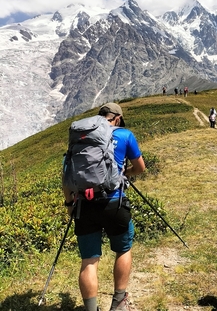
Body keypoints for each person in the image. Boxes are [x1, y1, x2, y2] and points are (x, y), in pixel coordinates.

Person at [63, 102, 146, 311]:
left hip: (84, 204)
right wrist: (124, 174)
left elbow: (67, 176)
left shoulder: (81, 137)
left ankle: (91, 309)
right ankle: (118, 302)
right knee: (123, 249)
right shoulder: (125, 135)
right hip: (113, 202)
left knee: (89, 261)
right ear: (117, 118)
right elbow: (140, 168)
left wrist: (70, 204)